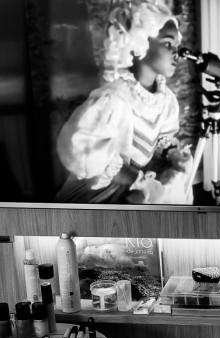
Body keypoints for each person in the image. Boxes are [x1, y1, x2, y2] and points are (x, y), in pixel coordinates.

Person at [55, 2, 192, 205]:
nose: (176, 53)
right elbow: (84, 151)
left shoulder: (167, 100)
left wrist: (172, 154)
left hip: (135, 183)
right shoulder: (113, 100)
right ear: (140, 45)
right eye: (167, 44)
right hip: (99, 190)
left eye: (177, 46)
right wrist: (139, 182)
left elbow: (162, 138)